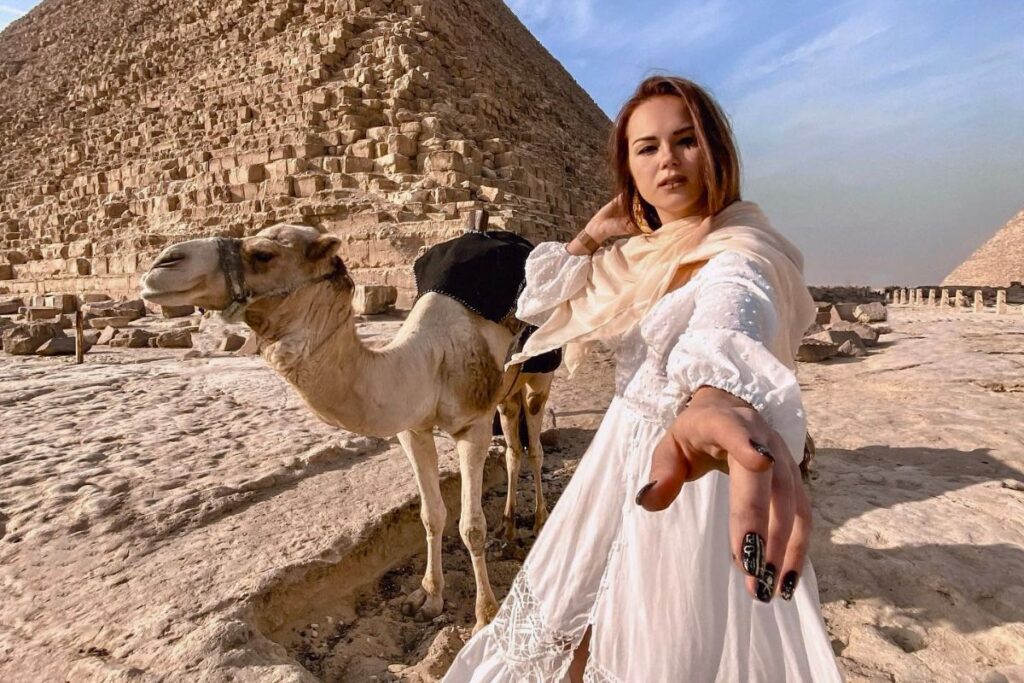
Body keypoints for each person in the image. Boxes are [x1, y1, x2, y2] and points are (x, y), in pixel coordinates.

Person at [442, 75, 843, 682]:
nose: (668, 161)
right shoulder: (635, 256)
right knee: (568, 639)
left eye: (686, 141)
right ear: (627, 166)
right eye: (646, 148)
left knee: (658, 649)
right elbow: (538, 299)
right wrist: (590, 236)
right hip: (614, 463)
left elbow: (733, 312)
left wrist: (716, 395)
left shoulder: (740, 250)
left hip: (690, 473)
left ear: (716, 150)